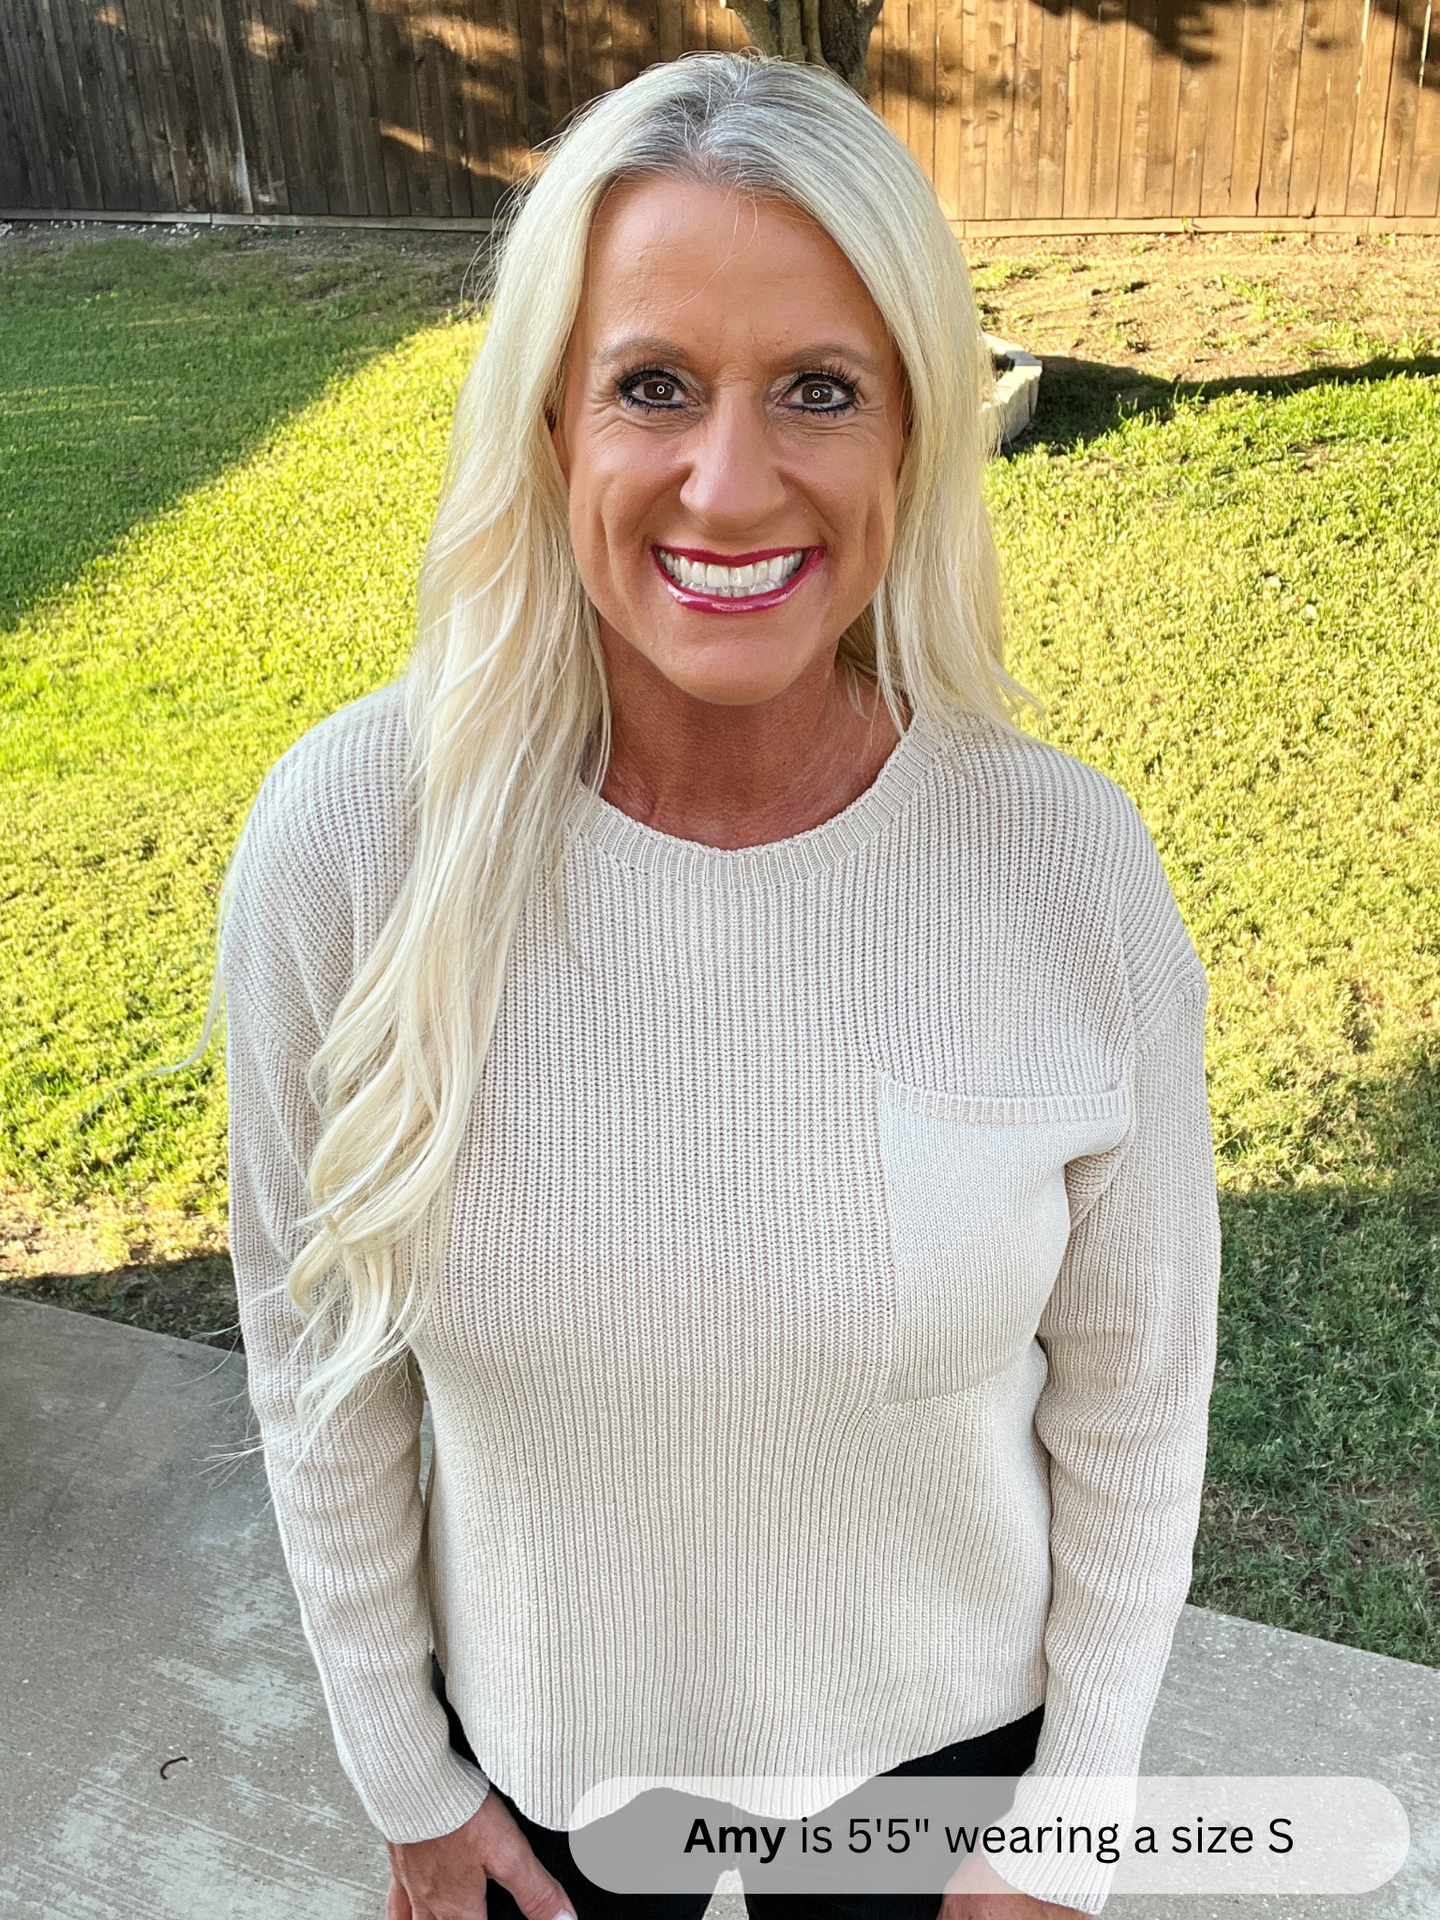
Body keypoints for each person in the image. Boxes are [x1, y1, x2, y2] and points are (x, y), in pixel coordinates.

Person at [219, 50, 1219, 1920]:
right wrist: (407, 1777)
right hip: (537, 1784)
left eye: (819, 392)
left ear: (916, 434)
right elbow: (315, 1365)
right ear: (546, 426)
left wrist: (1074, 1823)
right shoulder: (350, 846)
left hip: (946, 1792)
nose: (730, 481)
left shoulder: (1064, 869)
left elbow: (1137, 1404)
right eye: (651, 386)